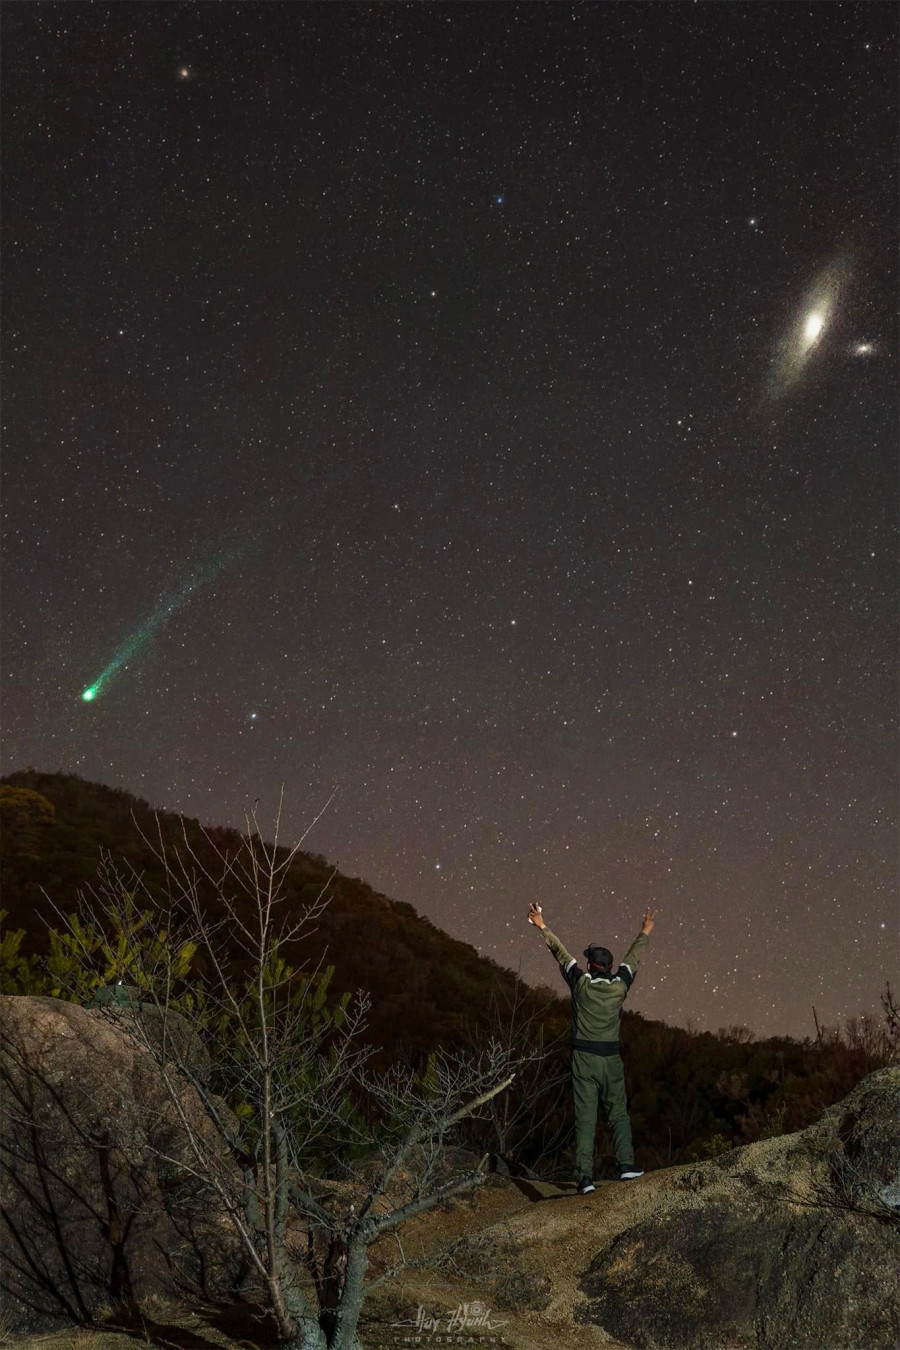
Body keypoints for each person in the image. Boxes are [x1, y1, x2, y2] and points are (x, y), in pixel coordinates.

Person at [528, 900, 657, 1194]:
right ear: (609, 967)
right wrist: (645, 932)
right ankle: (626, 1166)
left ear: (590, 966)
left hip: (583, 1059)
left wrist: (542, 926)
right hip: (610, 1059)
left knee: (586, 1119)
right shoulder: (620, 986)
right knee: (619, 1113)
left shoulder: (581, 983)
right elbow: (632, 959)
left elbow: (560, 954)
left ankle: (584, 1179)